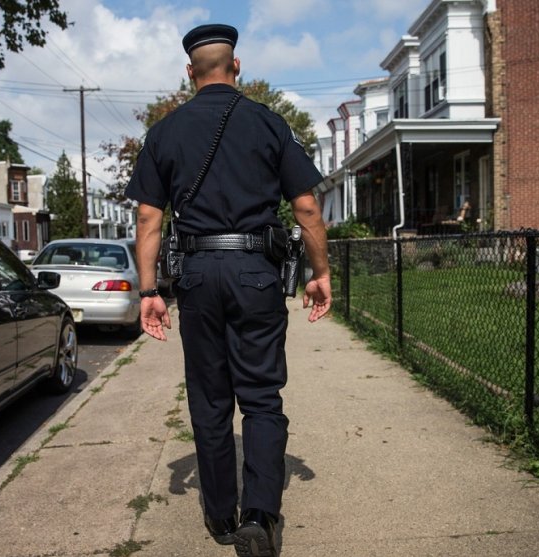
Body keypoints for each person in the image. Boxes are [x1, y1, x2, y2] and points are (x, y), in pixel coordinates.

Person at [125, 23, 332, 557]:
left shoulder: (164, 133)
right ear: (236, 67)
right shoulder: (268, 124)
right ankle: (261, 516)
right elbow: (306, 206)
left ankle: (221, 516)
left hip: (195, 274)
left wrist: (149, 290)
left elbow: (149, 218)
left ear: (189, 73)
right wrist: (320, 273)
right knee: (261, 397)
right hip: (256, 273)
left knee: (211, 399)